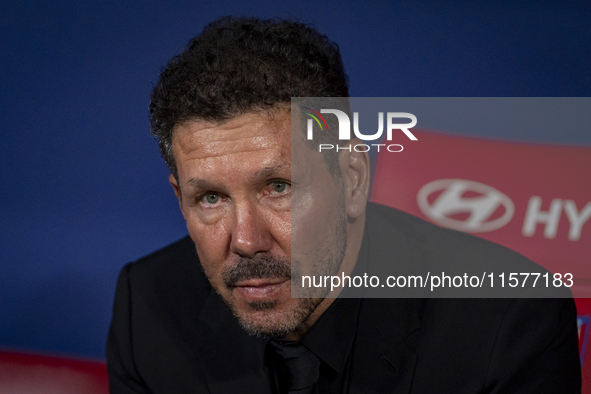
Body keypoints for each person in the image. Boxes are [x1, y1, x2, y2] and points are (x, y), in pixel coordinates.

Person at [106, 16, 581, 393]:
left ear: (351, 180)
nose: (246, 240)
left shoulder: (509, 322)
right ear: (179, 197)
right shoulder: (147, 308)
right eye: (210, 198)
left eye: (278, 187)